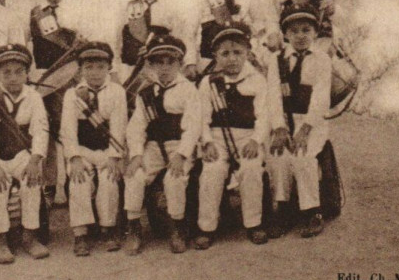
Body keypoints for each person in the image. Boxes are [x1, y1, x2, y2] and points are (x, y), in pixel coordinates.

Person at [190, 23, 270, 249]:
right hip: (217, 137)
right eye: (225, 54)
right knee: (211, 172)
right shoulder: (208, 82)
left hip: (248, 138)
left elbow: (264, 116)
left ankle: (254, 223)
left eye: (238, 52)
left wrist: (256, 140)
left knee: (251, 169)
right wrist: (206, 142)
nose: (232, 59)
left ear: (247, 53)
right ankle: (207, 227)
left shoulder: (257, 80)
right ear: (215, 56)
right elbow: (201, 118)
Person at [122, 34, 200, 255]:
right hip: (154, 146)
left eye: (170, 62)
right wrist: (136, 154)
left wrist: (182, 154)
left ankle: (177, 227)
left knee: (174, 178)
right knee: (135, 175)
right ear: (151, 65)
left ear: (180, 64)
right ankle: (134, 227)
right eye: (159, 63)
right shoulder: (146, 93)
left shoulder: (188, 90)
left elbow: (193, 126)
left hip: (179, 145)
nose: (164, 68)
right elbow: (136, 127)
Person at [0, 44, 50, 263]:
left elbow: (41, 130)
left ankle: (30, 235)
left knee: (32, 180)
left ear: (27, 74)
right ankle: (0, 239)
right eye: (6, 72)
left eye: (19, 72)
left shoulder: (33, 96)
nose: (13, 78)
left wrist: (35, 161)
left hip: (22, 154)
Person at [266, 4, 332, 239]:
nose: (301, 36)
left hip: (311, 122)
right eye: (294, 31)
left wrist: (305, 129)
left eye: (306, 30)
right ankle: (283, 209)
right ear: (286, 34)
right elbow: (272, 95)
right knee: (278, 157)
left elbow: (321, 97)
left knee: (303, 156)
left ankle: (312, 211)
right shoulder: (277, 60)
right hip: (285, 120)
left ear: (315, 32)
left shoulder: (322, 59)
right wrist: (280, 128)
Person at [60, 42, 128, 256]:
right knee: (78, 180)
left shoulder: (117, 91)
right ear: (80, 70)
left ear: (109, 67)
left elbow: (119, 126)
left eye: (100, 67)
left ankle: (108, 228)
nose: (95, 73)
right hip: (83, 150)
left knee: (109, 178)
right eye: (89, 67)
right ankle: (81, 233)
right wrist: (74, 158)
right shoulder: (73, 94)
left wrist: (115, 157)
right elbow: (68, 130)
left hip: (109, 150)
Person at [27, 0, 81, 208]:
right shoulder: (33, 15)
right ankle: (49, 186)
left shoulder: (78, 14)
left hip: (71, 82)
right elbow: (27, 51)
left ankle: (74, 183)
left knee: (71, 131)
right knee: (45, 134)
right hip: (43, 82)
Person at [115, 0, 198, 82]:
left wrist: (190, 64)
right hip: (130, 73)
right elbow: (116, 42)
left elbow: (185, 37)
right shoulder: (126, 7)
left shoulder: (173, 8)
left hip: (163, 73)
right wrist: (114, 72)